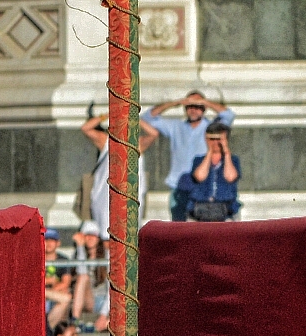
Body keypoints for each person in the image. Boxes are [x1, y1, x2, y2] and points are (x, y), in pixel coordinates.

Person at [143, 90, 236, 222]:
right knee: (178, 227)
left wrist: (205, 102)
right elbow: (148, 118)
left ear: (203, 109)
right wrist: (175, 103)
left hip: (202, 186)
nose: (193, 110)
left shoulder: (210, 127)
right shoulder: (175, 126)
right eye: (190, 106)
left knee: (201, 228)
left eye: (197, 107)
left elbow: (229, 115)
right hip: (179, 185)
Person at [80, 106, 159, 233]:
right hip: (106, 194)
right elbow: (86, 128)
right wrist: (109, 114)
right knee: (107, 233)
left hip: (131, 195)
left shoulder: (136, 144)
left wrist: (134, 118)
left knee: (129, 233)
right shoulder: (106, 142)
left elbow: (153, 134)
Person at [184, 122, 241, 220]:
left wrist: (226, 153)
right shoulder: (198, 160)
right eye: (212, 139)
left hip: (226, 211)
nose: (215, 143)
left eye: (218, 139)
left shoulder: (233, 160)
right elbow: (199, 177)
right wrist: (209, 152)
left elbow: (230, 177)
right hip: (199, 210)